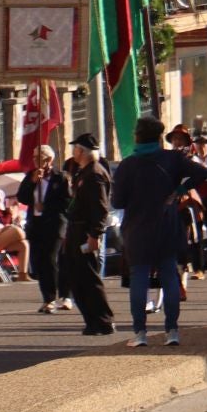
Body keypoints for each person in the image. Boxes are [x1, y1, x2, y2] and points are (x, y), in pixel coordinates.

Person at [109, 115, 207, 346]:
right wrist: (179, 189)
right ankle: (172, 331)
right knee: (169, 276)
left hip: (137, 230)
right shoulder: (172, 158)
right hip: (167, 225)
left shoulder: (127, 165)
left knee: (139, 279)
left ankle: (140, 334)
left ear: (137, 136)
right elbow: (204, 173)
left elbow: (117, 202)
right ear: (158, 136)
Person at [63, 134, 114, 336]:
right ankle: (92, 320)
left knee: (89, 278)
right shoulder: (83, 173)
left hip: (84, 231)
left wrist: (94, 234)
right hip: (76, 229)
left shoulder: (94, 174)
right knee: (77, 278)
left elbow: (100, 209)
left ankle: (103, 320)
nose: (73, 152)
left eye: (75, 148)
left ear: (82, 151)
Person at [17, 146, 71, 313]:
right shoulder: (31, 176)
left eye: (39, 158)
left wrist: (46, 206)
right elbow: (22, 198)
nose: (36, 161)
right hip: (36, 224)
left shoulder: (60, 178)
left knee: (51, 258)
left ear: (49, 160)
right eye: (34, 158)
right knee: (40, 262)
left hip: (54, 224)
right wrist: (32, 183)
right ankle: (47, 297)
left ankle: (56, 297)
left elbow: (67, 202)